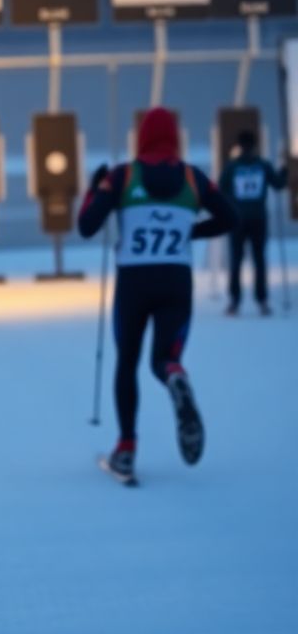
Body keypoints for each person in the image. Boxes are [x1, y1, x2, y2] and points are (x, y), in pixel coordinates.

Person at [78, 108, 237, 484]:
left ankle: (127, 449)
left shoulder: (123, 176)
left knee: (127, 362)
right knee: (163, 358)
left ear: (142, 136)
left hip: (134, 283)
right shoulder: (191, 178)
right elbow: (231, 218)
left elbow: (87, 226)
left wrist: (95, 188)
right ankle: (175, 375)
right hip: (175, 281)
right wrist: (189, 232)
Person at [218, 129, 288, 315]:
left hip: (237, 220)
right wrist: (285, 170)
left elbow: (220, 190)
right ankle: (262, 300)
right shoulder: (263, 165)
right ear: (255, 146)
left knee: (236, 260)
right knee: (259, 261)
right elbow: (279, 185)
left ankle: (234, 301)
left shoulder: (232, 167)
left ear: (239, 146)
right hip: (259, 219)